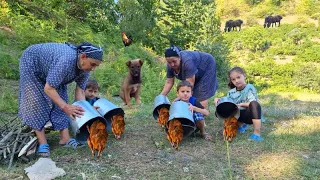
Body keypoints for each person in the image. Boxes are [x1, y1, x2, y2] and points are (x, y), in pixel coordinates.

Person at [18, 42, 103, 157]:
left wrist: (88, 109)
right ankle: (43, 142)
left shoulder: (85, 69)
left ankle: (65, 138)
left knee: (62, 97)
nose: (93, 69)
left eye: (96, 66)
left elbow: (80, 91)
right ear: (83, 57)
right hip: (32, 63)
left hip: (53, 69)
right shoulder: (66, 61)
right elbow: (49, 89)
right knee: (35, 101)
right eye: (92, 64)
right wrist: (66, 107)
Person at [214, 66, 264, 141]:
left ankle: (257, 134)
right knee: (224, 110)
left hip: (249, 115)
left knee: (254, 104)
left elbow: (252, 102)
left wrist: (241, 105)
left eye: (238, 77)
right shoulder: (231, 92)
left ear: (244, 76)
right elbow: (228, 103)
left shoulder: (249, 87)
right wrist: (218, 101)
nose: (236, 81)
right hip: (238, 115)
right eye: (233, 79)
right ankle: (240, 126)